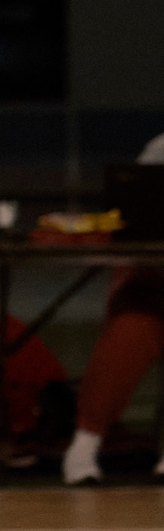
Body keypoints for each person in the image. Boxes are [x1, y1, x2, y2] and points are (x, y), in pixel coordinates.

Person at [63, 132, 164, 484]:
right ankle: (84, 445)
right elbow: (137, 210)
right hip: (152, 279)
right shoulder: (160, 148)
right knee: (132, 328)